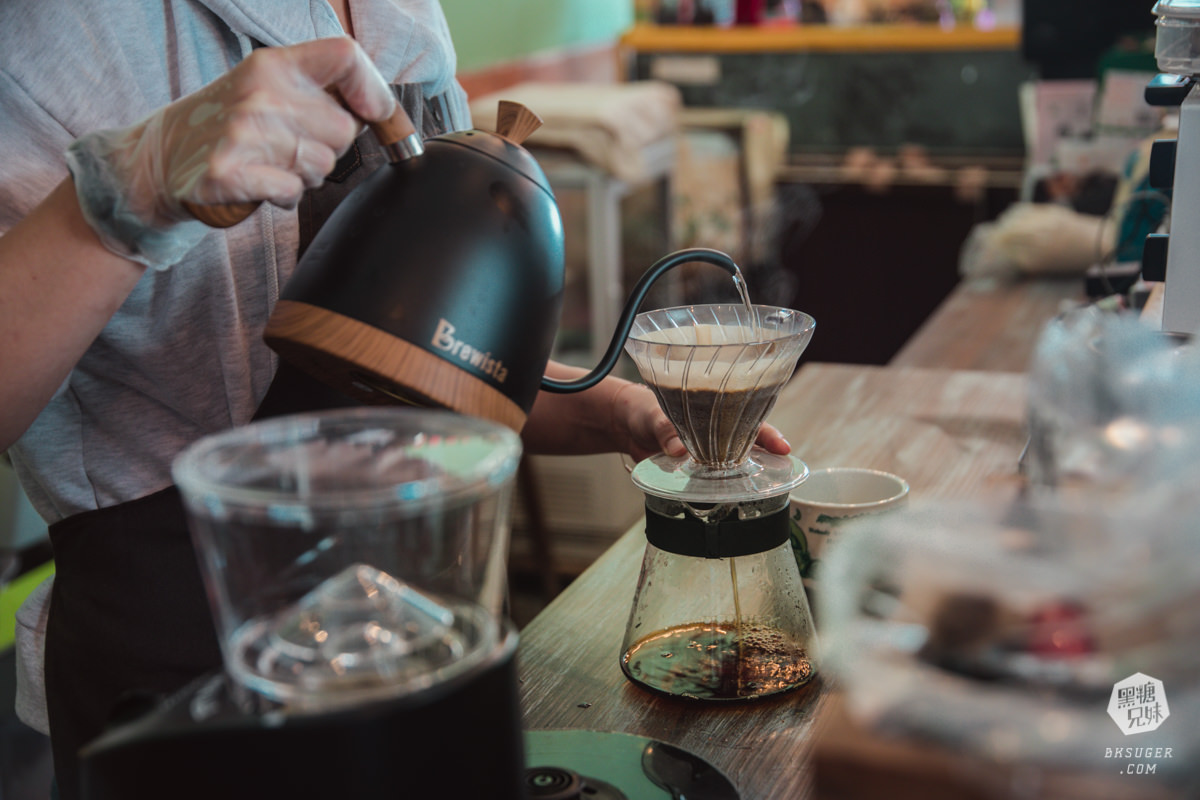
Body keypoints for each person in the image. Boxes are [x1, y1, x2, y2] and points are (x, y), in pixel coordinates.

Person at [0, 2, 791, 798]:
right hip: (188, 669)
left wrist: (625, 413)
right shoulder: (61, 31)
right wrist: (128, 192)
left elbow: (426, 366)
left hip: (427, 627)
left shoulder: (401, 15)